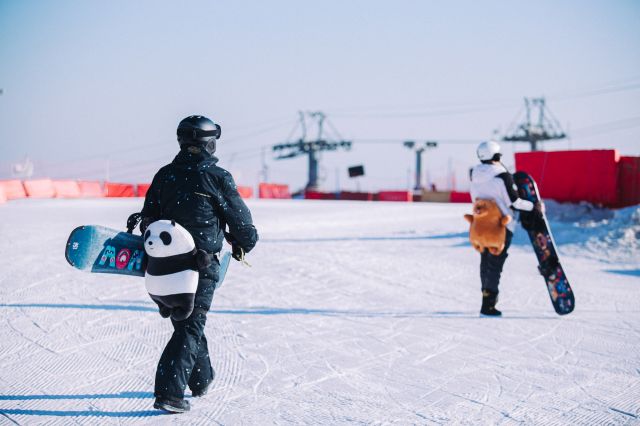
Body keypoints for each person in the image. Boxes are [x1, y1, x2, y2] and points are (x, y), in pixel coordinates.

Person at [137, 115, 258, 413]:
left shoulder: (165, 175)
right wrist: (243, 242)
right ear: (210, 144)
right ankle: (169, 394)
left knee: (186, 322)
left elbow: (148, 219)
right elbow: (243, 226)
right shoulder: (216, 177)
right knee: (189, 327)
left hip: (162, 268)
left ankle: (202, 379)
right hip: (198, 265)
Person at [469, 141, 542, 316]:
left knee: (485, 262)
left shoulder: (474, 175)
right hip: (500, 227)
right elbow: (515, 202)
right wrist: (534, 207)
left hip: (480, 226)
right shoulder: (502, 176)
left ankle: (485, 300)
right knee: (495, 264)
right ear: (496, 156)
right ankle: (488, 306)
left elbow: (475, 198)